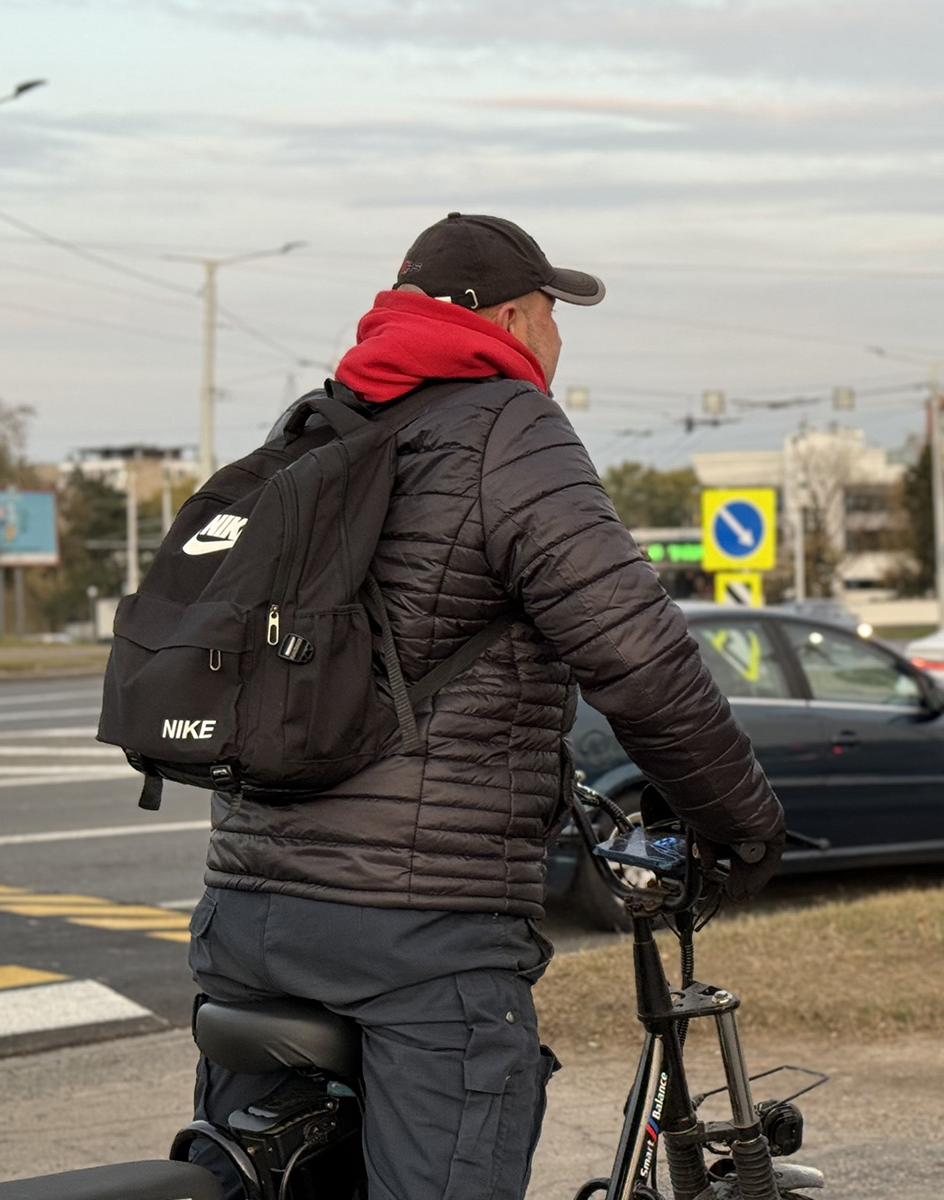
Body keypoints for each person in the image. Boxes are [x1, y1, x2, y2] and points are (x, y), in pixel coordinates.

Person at [186, 213, 788, 1200]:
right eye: (554, 311)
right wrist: (743, 823)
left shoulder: (313, 422)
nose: (557, 336)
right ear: (510, 317)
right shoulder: (509, 426)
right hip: (414, 927)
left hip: (245, 908)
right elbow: (638, 656)